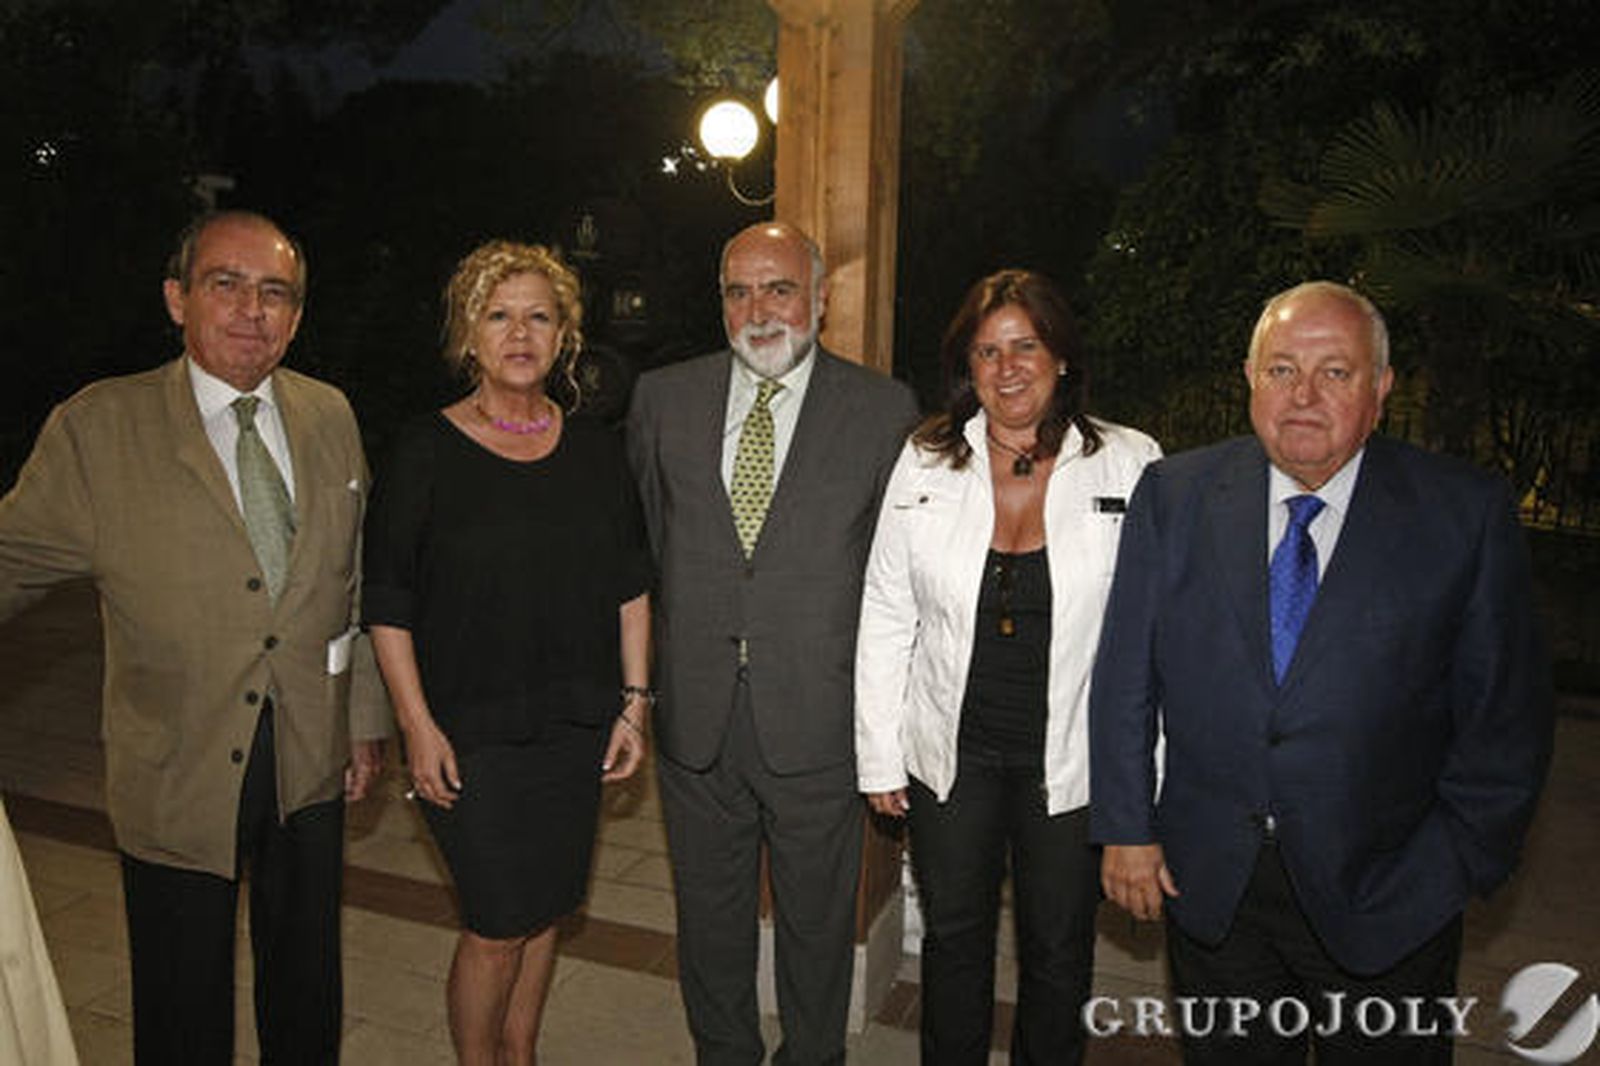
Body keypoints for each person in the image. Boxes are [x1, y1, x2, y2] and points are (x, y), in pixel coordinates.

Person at [1089, 280, 1553, 1064]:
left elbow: (1506, 719)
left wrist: (1451, 867)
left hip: (1388, 898)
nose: (1302, 395)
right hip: (1215, 890)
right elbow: (1126, 672)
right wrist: (1128, 828)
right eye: (1280, 370)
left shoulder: (1462, 515)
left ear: (1381, 389)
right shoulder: (1177, 495)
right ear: (1248, 379)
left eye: (1335, 372)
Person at [0, 209, 389, 1064]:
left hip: (306, 756)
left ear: (297, 315)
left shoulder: (331, 416)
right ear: (177, 299)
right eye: (227, 284)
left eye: (275, 292)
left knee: (306, 991)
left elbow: (349, 582)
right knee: (181, 1005)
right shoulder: (99, 429)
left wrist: (362, 716)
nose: (253, 310)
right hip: (175, 766)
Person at [626, 221, 918, 1065]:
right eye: (738, 290)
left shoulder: (882, 411)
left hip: (820, 721)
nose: (759, 310)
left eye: (779, 288)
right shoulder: (662, 400)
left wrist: (890, 728)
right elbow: (646, 550)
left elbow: (896, 579)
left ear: (820, 300)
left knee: (818, 930)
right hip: (697, 721)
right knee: (709, 925)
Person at [855, 269, 1159, 1064]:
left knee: (1059, 952)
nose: (1008, 366)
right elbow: (887, 611)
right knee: (952, 944)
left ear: (1061, 355)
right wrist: (879, 753)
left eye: (1026, 345)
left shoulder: (1129, 462)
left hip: (1072, 761)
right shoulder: (925, 459)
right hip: (952, 754)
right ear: (968, 368)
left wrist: (1147, 776)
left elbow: (1158, 635)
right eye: (987, 351)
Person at [362, 239, 651, 1066]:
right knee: (495, 923)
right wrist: (415, 726)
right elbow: (387, 603)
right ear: (468, 334)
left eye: (539, 316)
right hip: (469, 735)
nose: (519, 333)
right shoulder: (423, 451)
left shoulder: (596, 448)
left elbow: (631, 585)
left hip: (575, 725)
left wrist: (634, 704)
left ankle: (519, 1054)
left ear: (564, 336)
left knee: (547, 911)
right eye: (499, 315)